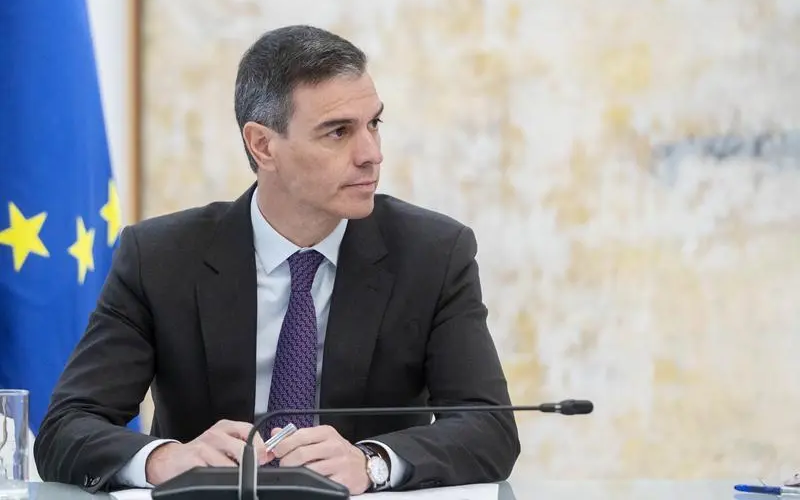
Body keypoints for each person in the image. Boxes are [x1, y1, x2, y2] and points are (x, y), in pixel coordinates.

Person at [34, 25, 520, 495]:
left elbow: (489, 428)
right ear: (263, 145)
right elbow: (66, 427)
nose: (371, 154)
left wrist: (372, 462)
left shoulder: (433, 253)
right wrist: (166, 460)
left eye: (374, 124)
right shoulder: (160, 258)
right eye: (338, 132)